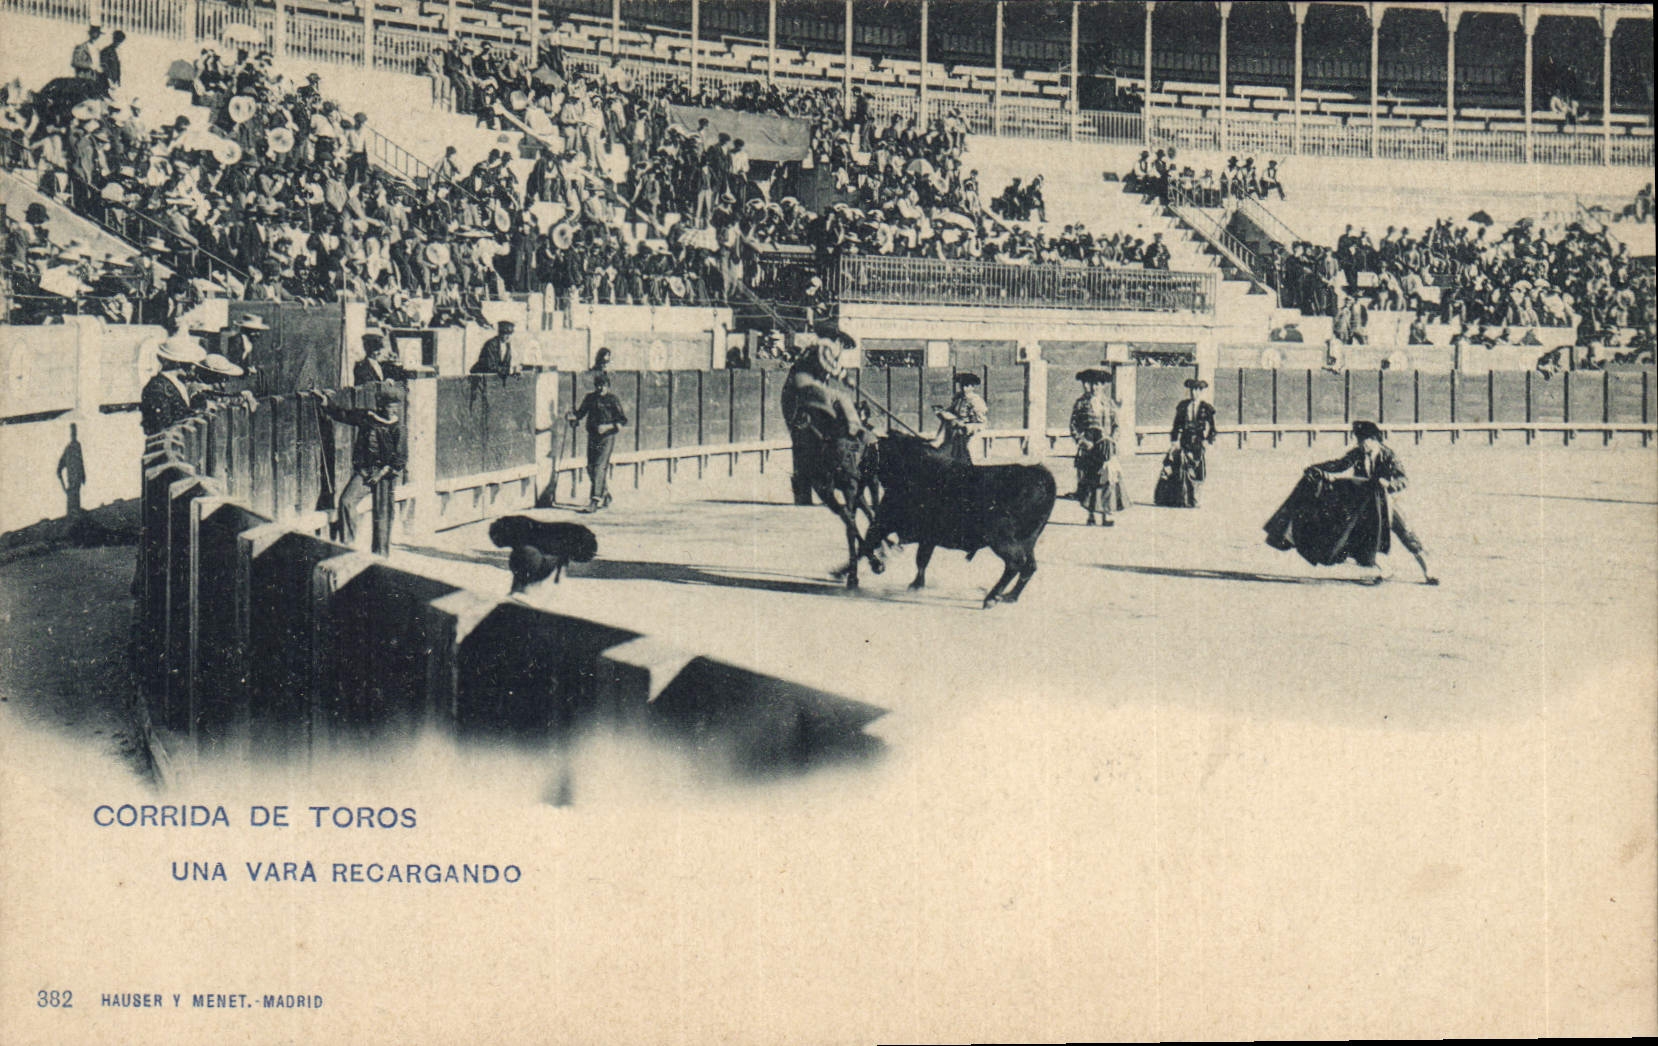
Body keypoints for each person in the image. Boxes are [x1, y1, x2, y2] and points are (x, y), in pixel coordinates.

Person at [1266, 420, 1438, 585]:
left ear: (1374, 440)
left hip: (1387, 503)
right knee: (1362, 536)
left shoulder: (1388, 455)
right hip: (1365, 505)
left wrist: (1390, 485)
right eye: (1359, 441)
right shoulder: (1357, 454)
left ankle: (1428, 571)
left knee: (1406, 533)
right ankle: (1385, 569)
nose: (1361, 444)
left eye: (1364, 441)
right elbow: (1339, 464)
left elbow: (1403, 479)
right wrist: (1317, 468)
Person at [308, 387, 406, 555]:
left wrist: (381, 473)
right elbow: (344, 414)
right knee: (346, 501)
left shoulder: (398, 428)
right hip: (365, 473)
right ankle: (348, 546)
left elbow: (400, 458)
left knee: (382, 515)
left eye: (396, 406)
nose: (394, 410)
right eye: (390, 406)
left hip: (384, 476)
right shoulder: (368, 417)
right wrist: (326, 403)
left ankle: (380, 556)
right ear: (382, 406)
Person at [567, 372, 627, 513]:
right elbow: (580, 414)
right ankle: (604, 494)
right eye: (598, 385)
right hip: (592, 436)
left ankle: (594, 501)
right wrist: (572, 418)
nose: (601, 388)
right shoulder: (590, 398)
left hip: (607, 438)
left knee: (600, 467)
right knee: (590, 467)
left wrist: (607, 426)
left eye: (603, 385)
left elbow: (622, 420)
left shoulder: (613, 400)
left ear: (608, 386)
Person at [1070, 368, 1122, 526]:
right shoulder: (1081, 403)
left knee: (1108, 479)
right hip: (1090, 448)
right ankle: (1091, 514)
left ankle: (1107, 514)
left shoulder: (1109, 403)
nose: (1095, 388)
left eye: (1098, 384)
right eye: (1092, 384)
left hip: (1106, 447)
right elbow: (1073, 426)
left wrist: (1112, 440)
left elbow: (1116, 425)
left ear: (1103, 386)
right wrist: (1083, 442)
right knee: (1090, 480)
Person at [140, 334, 206, 436]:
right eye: (190, 362)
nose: (194, 367)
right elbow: (163, 427)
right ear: (178, 363)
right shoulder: (157, 389)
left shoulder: (176, 384)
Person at [933, 371, 988, 464]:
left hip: (968, 436)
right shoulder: (958, 398)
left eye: (966, 385)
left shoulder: (976, 401)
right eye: (962, 385)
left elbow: (982, 423)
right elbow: (950, 412)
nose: (963, 388)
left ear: (973, 386)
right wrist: (942, 412)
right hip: (954, 434)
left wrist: (964, 426)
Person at [1170, 377, 1217, 481]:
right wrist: (1174, 440)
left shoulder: (1206, 407)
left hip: (1198, 440)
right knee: (1182, 467)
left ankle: (1197, 490)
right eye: (1192, 390)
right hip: (1185, 439)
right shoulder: (1183, 406)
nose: (1193, 392)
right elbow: (1176, 424)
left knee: (1197, 467)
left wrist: (1208, 440)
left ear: (1201, 391)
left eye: (1196, 390)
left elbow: (1213, 427)